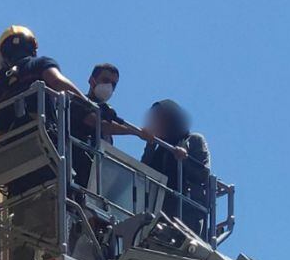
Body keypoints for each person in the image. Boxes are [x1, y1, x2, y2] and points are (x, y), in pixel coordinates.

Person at [0, 25, 90, 135]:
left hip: (11, 142)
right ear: (33, 47)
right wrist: (87, 102)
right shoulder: (40, 63)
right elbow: (57, 81)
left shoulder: (0, 83)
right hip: (43, 133)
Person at [141, 99, 212, 236]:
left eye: (160, 119)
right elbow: (143, 173)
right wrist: (150, 145)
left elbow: (203, 174)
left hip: (186, 212)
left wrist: (183, 159)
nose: (156, 123)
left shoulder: (194, 140)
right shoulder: (159, 149)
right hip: (160, 211)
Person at [70, 64, 148, 187]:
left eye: (113, 84)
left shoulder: (107, 113)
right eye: (105, 80)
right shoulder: (79, 102)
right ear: (92, 81)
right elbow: (99, 124)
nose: (109, 86)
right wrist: (136, 132)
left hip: (94, 177)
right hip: (74, 169)